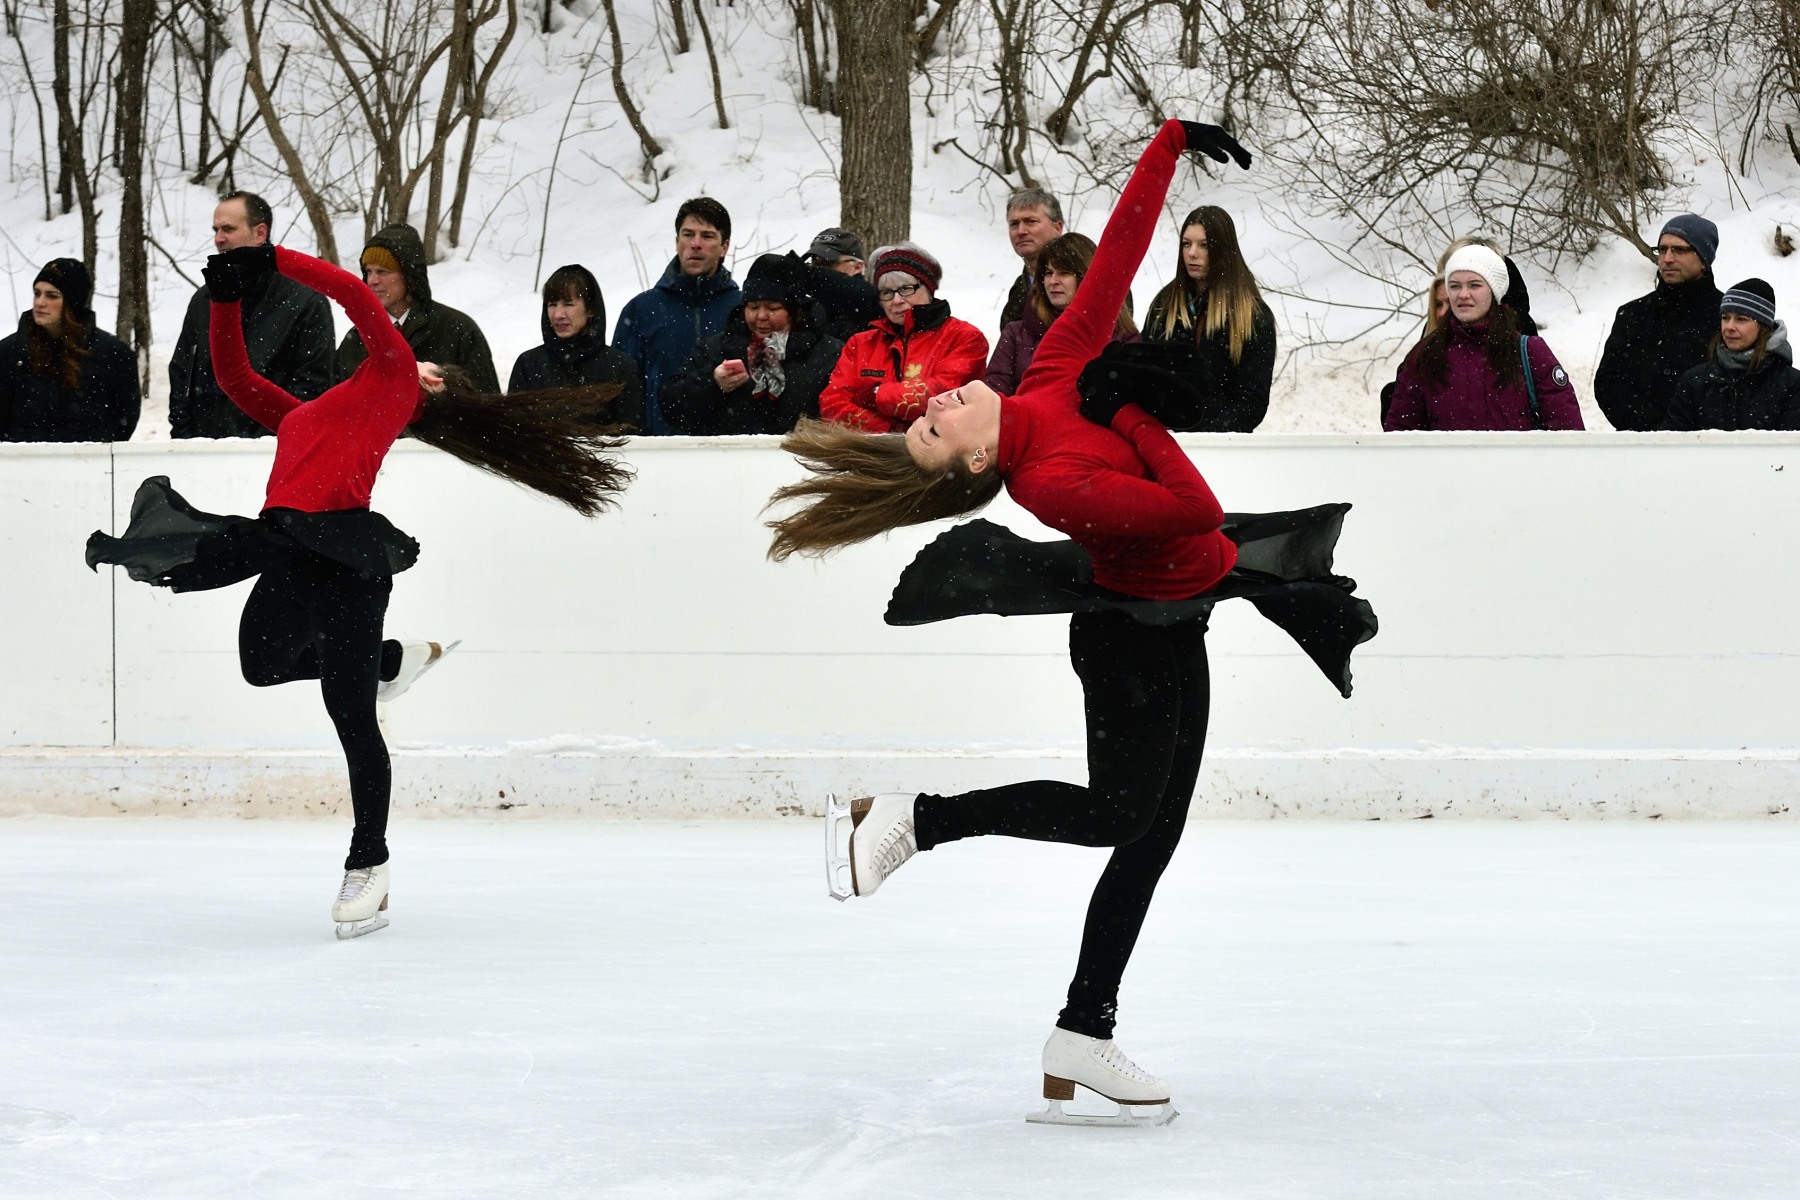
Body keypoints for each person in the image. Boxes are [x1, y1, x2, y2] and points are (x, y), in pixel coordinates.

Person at [765, 121, 1376, 1126]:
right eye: (928, 428)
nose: (935, 404)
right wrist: (1133, 412)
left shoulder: (1048, 377)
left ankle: (1082, 1032)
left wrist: (1169, 147)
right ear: (968, 466)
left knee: (1155, 834)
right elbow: (1188, 509)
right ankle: (916, 820)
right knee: (1119, 817)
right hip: (1126, 635)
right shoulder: (1046, 479)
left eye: (925, 410)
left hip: (1181, 615)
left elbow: (1113, 260)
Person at [87, 243, 631, 939]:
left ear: (429, 389)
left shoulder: (395, 377)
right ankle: (391, 662)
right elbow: (233, 377)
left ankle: (368, 861)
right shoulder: (303, 416)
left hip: (347, 560)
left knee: (349, 716)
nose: (421, 361)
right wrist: (226, 297)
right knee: (261, 664)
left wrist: (267, 257)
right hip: (287, 548)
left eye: (433, 368)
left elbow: (355, 295)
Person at [168, 191, 334, 439]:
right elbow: (182, 377)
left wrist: (263, 442)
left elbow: (312, 388)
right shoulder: (204, 301)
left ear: (260, 233)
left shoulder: (305, 301)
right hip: (205, 451)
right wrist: (186, 439)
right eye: (215, 230)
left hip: (273, 451)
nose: (219, 239)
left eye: (228, 229)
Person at [1383, 243, 1584, 431]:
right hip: (1446, 469)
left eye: (1474, 285)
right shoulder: (1425, 355)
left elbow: (1568, 437)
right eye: (1454, 286)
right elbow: (1400, 439)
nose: (1463, 294)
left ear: (1494, 290)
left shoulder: (1530, 352)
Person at [659, 253, 846, 436]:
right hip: (730, 461)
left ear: (795, 312)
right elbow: (673, 410)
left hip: (799, 461)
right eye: (753, 307)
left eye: (773, 308)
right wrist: (712, 384)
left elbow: (843, 415)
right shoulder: (718, 348)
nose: (761, 316)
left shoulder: (829, 354)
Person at [817, 243, 989, 433]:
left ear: (929, 289)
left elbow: (945, 394)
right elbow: (832, 406)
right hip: (868, 452)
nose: (896, 301)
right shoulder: (860, 343)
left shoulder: (965, 337)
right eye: (887, 293)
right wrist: (889, 429)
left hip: (944, 451)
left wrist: (877, 395)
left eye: (906, 289)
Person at [1139, 206, 1277, 431]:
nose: (1192, 253)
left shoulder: (1251, 314)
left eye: (1204, 245)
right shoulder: (1165, 304)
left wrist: (1206, 437)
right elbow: (1142, 376)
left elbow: (1252, 402)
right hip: (1165, 443)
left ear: (1222, 249)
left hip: (1222, 449)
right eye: (1186, 244)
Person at [613, 197, 741, 433]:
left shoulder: (744, 309)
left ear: (724, 247)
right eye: (688, 234)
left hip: (730, 451)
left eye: (708, 236)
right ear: (676, 242)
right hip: (660, 452)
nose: (695, 244)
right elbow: (621, 391)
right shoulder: (642, 310)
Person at [1594, 214, 1724, 430]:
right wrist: (1652, 428)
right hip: (1641, 446)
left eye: (1679, 250)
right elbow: (1609, 384)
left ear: (1703, 259)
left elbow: (1743, 386)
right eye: (1662, 249)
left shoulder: (1726, 317)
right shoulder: (1633, 315)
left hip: (1708, 445)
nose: (1667, 258)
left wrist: (1693, 431)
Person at [335, 223, 500, 394]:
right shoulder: (356, 339)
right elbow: (332, 406)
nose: (372, 281)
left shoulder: (458, 331)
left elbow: (486, 407)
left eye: (383, 271)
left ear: (409, 275)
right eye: (368, 271)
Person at [1, 258, 139, 442]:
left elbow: (123, 423)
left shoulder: (112, 355)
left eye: (51, 295)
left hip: (90, 464)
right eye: (37, 293)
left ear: (71, 302)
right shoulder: (9, 352)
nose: (40, 302)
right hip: (23, 464)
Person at [985, 232, 1138, 394]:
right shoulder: (1015, 334)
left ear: (1088, 276)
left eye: (1064, 273)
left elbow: (1129, 400)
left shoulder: (1123, 336)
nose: (1053, 281)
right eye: (1048, 273)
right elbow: (994, 398)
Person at [507, 264, 645, 431]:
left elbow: (632, 441)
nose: (558, 314)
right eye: (552, 304)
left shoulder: (620, 368)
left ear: (591, 310)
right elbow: (514, 433)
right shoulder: (528, 365)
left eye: (568, 304)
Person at [1666, 279, 1800, 430]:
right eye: (1725, 317)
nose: (1729, 327)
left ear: (1763, 327)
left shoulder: (1792, 386)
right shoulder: (1694, 382)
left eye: (1741, 319)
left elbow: (1790, 449)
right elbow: (1674, 447)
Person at [798, 227, 882, 345]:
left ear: (857, 267)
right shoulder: (811, 306)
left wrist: (811, 276)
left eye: (829, 263)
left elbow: (864, 293)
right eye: (815, 262)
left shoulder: (870, 300)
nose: (819, 269)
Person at [999, 188, 1066, 327]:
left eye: (1031, 221)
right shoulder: (1018, 293)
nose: (1021, 231)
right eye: (1014, 224)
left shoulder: (1086, 277)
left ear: (1057, 228)